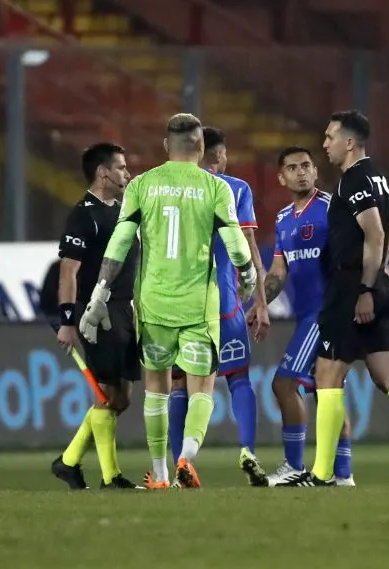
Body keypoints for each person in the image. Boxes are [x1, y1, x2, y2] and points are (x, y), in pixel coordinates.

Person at [78, 113, 258, 489]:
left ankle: (159, 473)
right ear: (202, 147)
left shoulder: (142, 185)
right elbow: (235, 243)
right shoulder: (215, 188)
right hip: (197, 306)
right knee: (202, 387)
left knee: (156, 388)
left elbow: (121, 242)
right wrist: (247, 275)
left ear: (166, 147)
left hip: (154, 304)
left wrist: (99, 293)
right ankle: (186, 459)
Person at [278, 110, 389, 486]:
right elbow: (388, 235)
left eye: (329, 137)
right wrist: (378, 280)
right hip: (375, 281)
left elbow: (374, 234)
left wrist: (365, 289)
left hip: (353, 286)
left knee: (327, 374)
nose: (324, 144)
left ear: (349, 142)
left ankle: (323, 474)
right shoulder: (378, 177)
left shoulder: (354, 178)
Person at [154, 126, 270, 489]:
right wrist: (261, 301)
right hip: (225, 303)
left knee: (176, 386)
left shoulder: (165, 187)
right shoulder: (234, 189)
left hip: (177, 303)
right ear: (216, 154)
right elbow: (249, 248)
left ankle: (177, 466)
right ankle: (248, 450)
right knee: (237, 379)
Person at [261, 146, 354, 486]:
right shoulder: (283, 218)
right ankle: (343, 475)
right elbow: (278, 271)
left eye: (305, 166)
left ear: (315, 171)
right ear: (281, 177)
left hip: (324, 314)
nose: (300, 172)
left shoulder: (331, 209)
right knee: (327, 392)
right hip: (305, 315)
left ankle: (295, 466)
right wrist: (259, 304)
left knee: (283, 383)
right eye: (292, 167)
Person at [51, 142, 140, 489]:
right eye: (121, 168)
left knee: (122, 397)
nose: (127, 174)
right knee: (106, 395)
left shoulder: (120, 210)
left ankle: (69, 461)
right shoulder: (83, 215)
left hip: (124, 310)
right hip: (97, 313)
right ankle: (110, 476)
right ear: (103, 173)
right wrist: (68, 321)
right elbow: (68, 273)